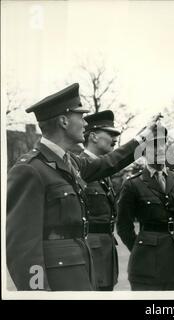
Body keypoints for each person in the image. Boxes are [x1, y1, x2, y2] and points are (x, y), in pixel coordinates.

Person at [6, 83, 158, 291]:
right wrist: (38, 295)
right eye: (81, 116)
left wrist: (143, 137)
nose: (86, 123)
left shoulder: (71, 162)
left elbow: (109, 162)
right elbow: (22, 249)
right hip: (58, 284)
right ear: (64, 121)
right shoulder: (30, 170)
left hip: (81, 275)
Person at [117, 125, 174, 290]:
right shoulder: (133, 184)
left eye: (163, 144)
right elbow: (123, 226)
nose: (160, 149)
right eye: (154, 145)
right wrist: (141, 247)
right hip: (147, 260)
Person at [80, 110, 121, 291]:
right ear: (94, 137)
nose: (115, 139)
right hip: (90, 249)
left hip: (106, 247)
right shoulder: (80, 166)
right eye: (110, 134)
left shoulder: (103, 171)